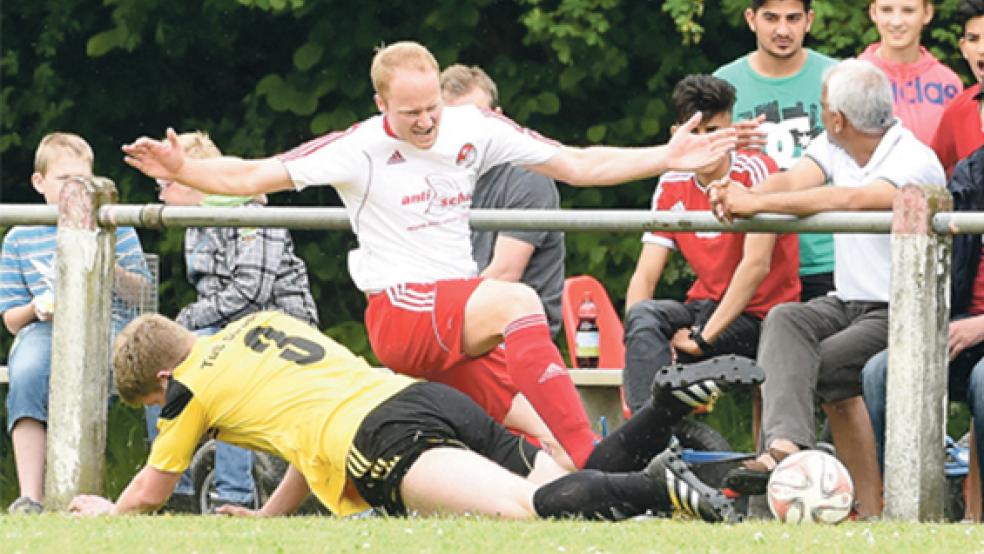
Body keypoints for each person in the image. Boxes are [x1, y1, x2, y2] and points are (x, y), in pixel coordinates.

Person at [121, 41, 736, 471]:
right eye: (409, 112)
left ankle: (615, 482)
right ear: (381, 103)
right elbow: (255, 172)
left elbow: (577, 163)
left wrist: (666, 156)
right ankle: (595, 461)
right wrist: (186, 169)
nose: (425, 124)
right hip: (400, 314)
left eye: (432, 110)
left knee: (541, 441)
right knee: (518, 301)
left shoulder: (473, 127)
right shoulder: (356, 148)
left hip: (454, 320)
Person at [67, 310, 763, 522]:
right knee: (572, 479)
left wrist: (103, 512)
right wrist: (268, 520)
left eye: (155, 406)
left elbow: (147, 496)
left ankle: (662, 482)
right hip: (421, 397)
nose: (168, 415)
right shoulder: (261, 323)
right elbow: (306, 437)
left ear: (162, 376)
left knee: (533, 510)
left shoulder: (189, 387)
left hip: (380, 440)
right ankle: (664, 413)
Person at [709, 59, 946, 518]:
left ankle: (795, 485)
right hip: (847, 300)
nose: (820, 116)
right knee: (785, 319)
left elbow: (852, 199)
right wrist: (737, 190)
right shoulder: (834, 144)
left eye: (822, 108)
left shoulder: (913, 159)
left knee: (812, 369)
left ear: (838, 118)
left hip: (899, 307)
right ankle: (787, 450)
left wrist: (755, 203)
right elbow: (792, 181)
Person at [146, 131, 320, 513]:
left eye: (167, 183)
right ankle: (176, 493)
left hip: (276, 327)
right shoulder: (194, 224)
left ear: (195, 179)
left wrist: (186, 321)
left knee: (224, 372)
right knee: (160, 365)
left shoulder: (253, 217)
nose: (160, 194)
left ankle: (233, 494)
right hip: (222, 327)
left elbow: (251, 291)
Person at [621, 74, 800, 413]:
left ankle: (657, 429)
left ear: (731, 130)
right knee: (644, 316)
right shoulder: (671, 182)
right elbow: (644, 277)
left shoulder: (758, 171)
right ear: (677, 134)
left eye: (714, 132)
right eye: (695, 134)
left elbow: (756, 266)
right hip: (703, 306)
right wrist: (635, 343)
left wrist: (702, 340)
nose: (704, 144)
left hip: (758, 314)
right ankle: (646, 436)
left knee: (682, 359)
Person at [0, 132, 149, 514]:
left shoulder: (115, 224)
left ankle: (139, 490)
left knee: (141, 365)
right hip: (43, 329)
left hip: (110, 330)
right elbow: (12, 321)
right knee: (28, 369)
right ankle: (31, 496)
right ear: (40, 183)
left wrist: (106, 262)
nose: (74, 189)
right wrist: (37, 308)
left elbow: (143, 296)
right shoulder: (19, 236)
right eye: (63, 180)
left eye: (82, 180)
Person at [861, 143, 984, 521]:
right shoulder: (972, 173)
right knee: (883, 371)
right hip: (962, 323)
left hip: (977, 329)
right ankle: (908, 512)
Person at [714, 0, 837, 302]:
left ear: (809, 20)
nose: (783, 30)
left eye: (793, 18)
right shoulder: (723, 84)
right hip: (749, 257)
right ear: (751, 19)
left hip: (829, 255)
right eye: (771, 18)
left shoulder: (838, 78)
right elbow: (701, 169)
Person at [440, 64, 565, 338]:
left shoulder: (529, 176)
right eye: (455, 122)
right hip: (455, 327)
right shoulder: (435, 181)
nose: (469, 131)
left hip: (513, 333)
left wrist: (436, 322)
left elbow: (505, 273)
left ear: (499, 119)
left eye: (479, 117)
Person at [859, 0, 963, 146]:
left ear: (927, 13)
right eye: (886, 10)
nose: (896, 22)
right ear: (873, 12)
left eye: (908, 10)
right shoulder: (853, 77)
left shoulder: (949, 83)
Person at [930, 0, 984, 176]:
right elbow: (931, 171)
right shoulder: (957, 111)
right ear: (963, 48)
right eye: (973, 39)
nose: (982, 49)